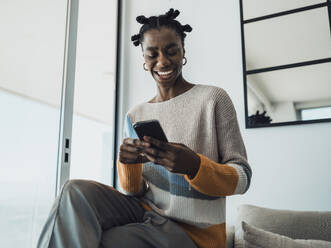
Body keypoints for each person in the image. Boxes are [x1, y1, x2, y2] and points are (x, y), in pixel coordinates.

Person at [37, 8, 252, 248]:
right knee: (74, 190)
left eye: (171, 51)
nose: (162, 61)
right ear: (144, 59)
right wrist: (127, 165)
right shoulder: (136, 114)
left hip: (195, 234)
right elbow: (134, 191)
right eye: (152, 54)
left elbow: (243, 177)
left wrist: (194, 166)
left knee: (108, 241)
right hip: (146, 212)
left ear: (183, 52)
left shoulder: (213, 99)